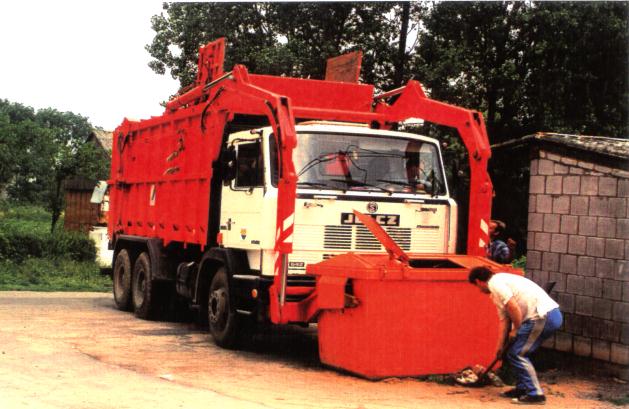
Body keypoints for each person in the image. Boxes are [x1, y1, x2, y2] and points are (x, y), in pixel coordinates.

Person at [468, 266, 562, 405]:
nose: (479, 290)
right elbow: (504, 321)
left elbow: (513, 307)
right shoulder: (497, 289)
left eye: (477, 286)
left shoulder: (496, 283)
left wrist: (516, 329)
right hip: (542, 317)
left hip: (544, 316)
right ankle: (522, 388)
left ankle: (535, 394)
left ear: (478, 281)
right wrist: (499, 348)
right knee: (514, 352)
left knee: (518, 354)